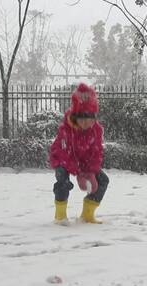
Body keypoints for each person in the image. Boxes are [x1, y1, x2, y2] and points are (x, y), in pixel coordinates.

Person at [49, 83, 109, 225]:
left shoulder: (97, 130)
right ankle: (60, 216)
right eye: (82, 119)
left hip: (83, 162)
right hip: (62, 160)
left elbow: (97, 152)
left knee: (103, 181)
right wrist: (77, 171)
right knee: (63, 182)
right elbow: (64, 153)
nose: (86, 123)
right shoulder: (66, 130)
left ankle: (87, 214)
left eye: (90, 119)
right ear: (76, 118)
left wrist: (90, 171)